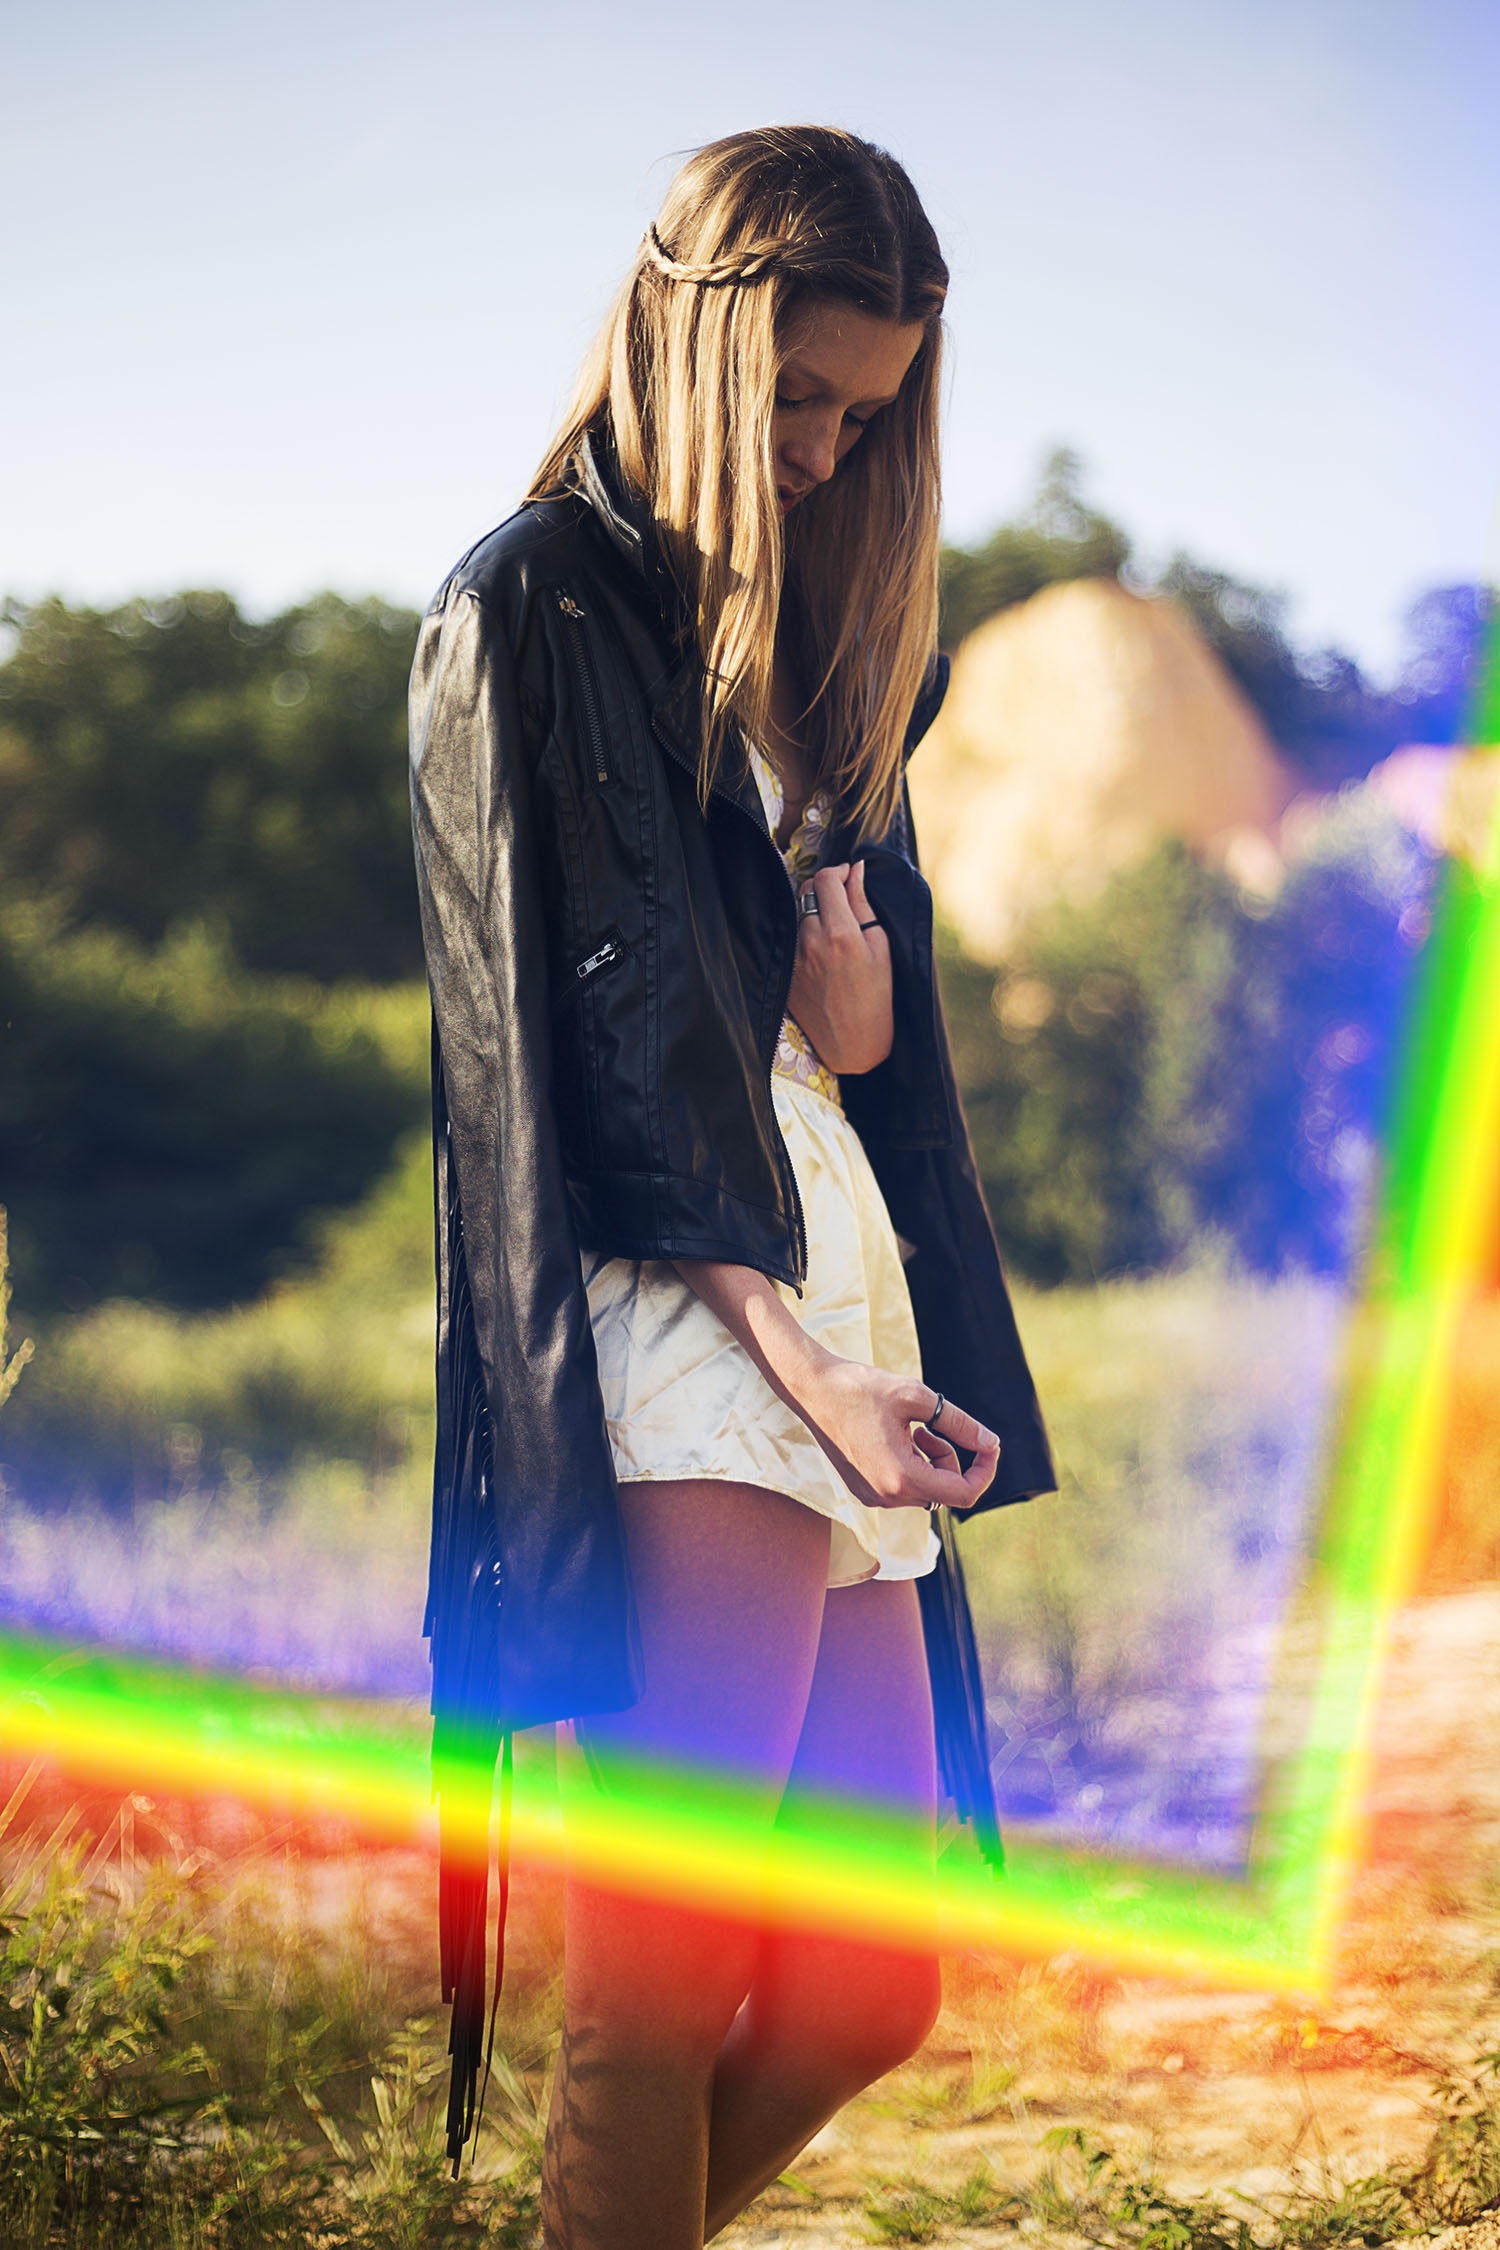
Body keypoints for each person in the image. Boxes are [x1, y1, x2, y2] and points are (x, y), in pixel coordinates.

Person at [409, 123, 1056, 2249]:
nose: (820, 450)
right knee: (656, 1995)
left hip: (825, 1266)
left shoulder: (815, 637)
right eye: (794, 394)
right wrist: (801, 1363)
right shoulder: (533, 607)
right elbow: (573, 1072)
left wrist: (850, 1021)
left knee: (868, 1983)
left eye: (862, 416)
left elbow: (809, 1030)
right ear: (687, 331)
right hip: (685, 1308)